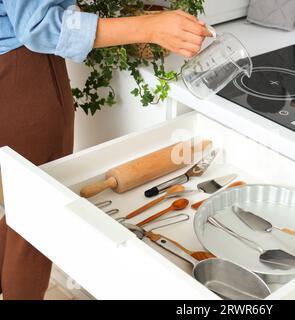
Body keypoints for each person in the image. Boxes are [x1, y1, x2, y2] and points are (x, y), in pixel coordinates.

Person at [0, 0, 211, 300]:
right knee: (34, 223)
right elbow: (40, 26)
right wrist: (151, 27)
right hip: (22, 74)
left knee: (15, 202)